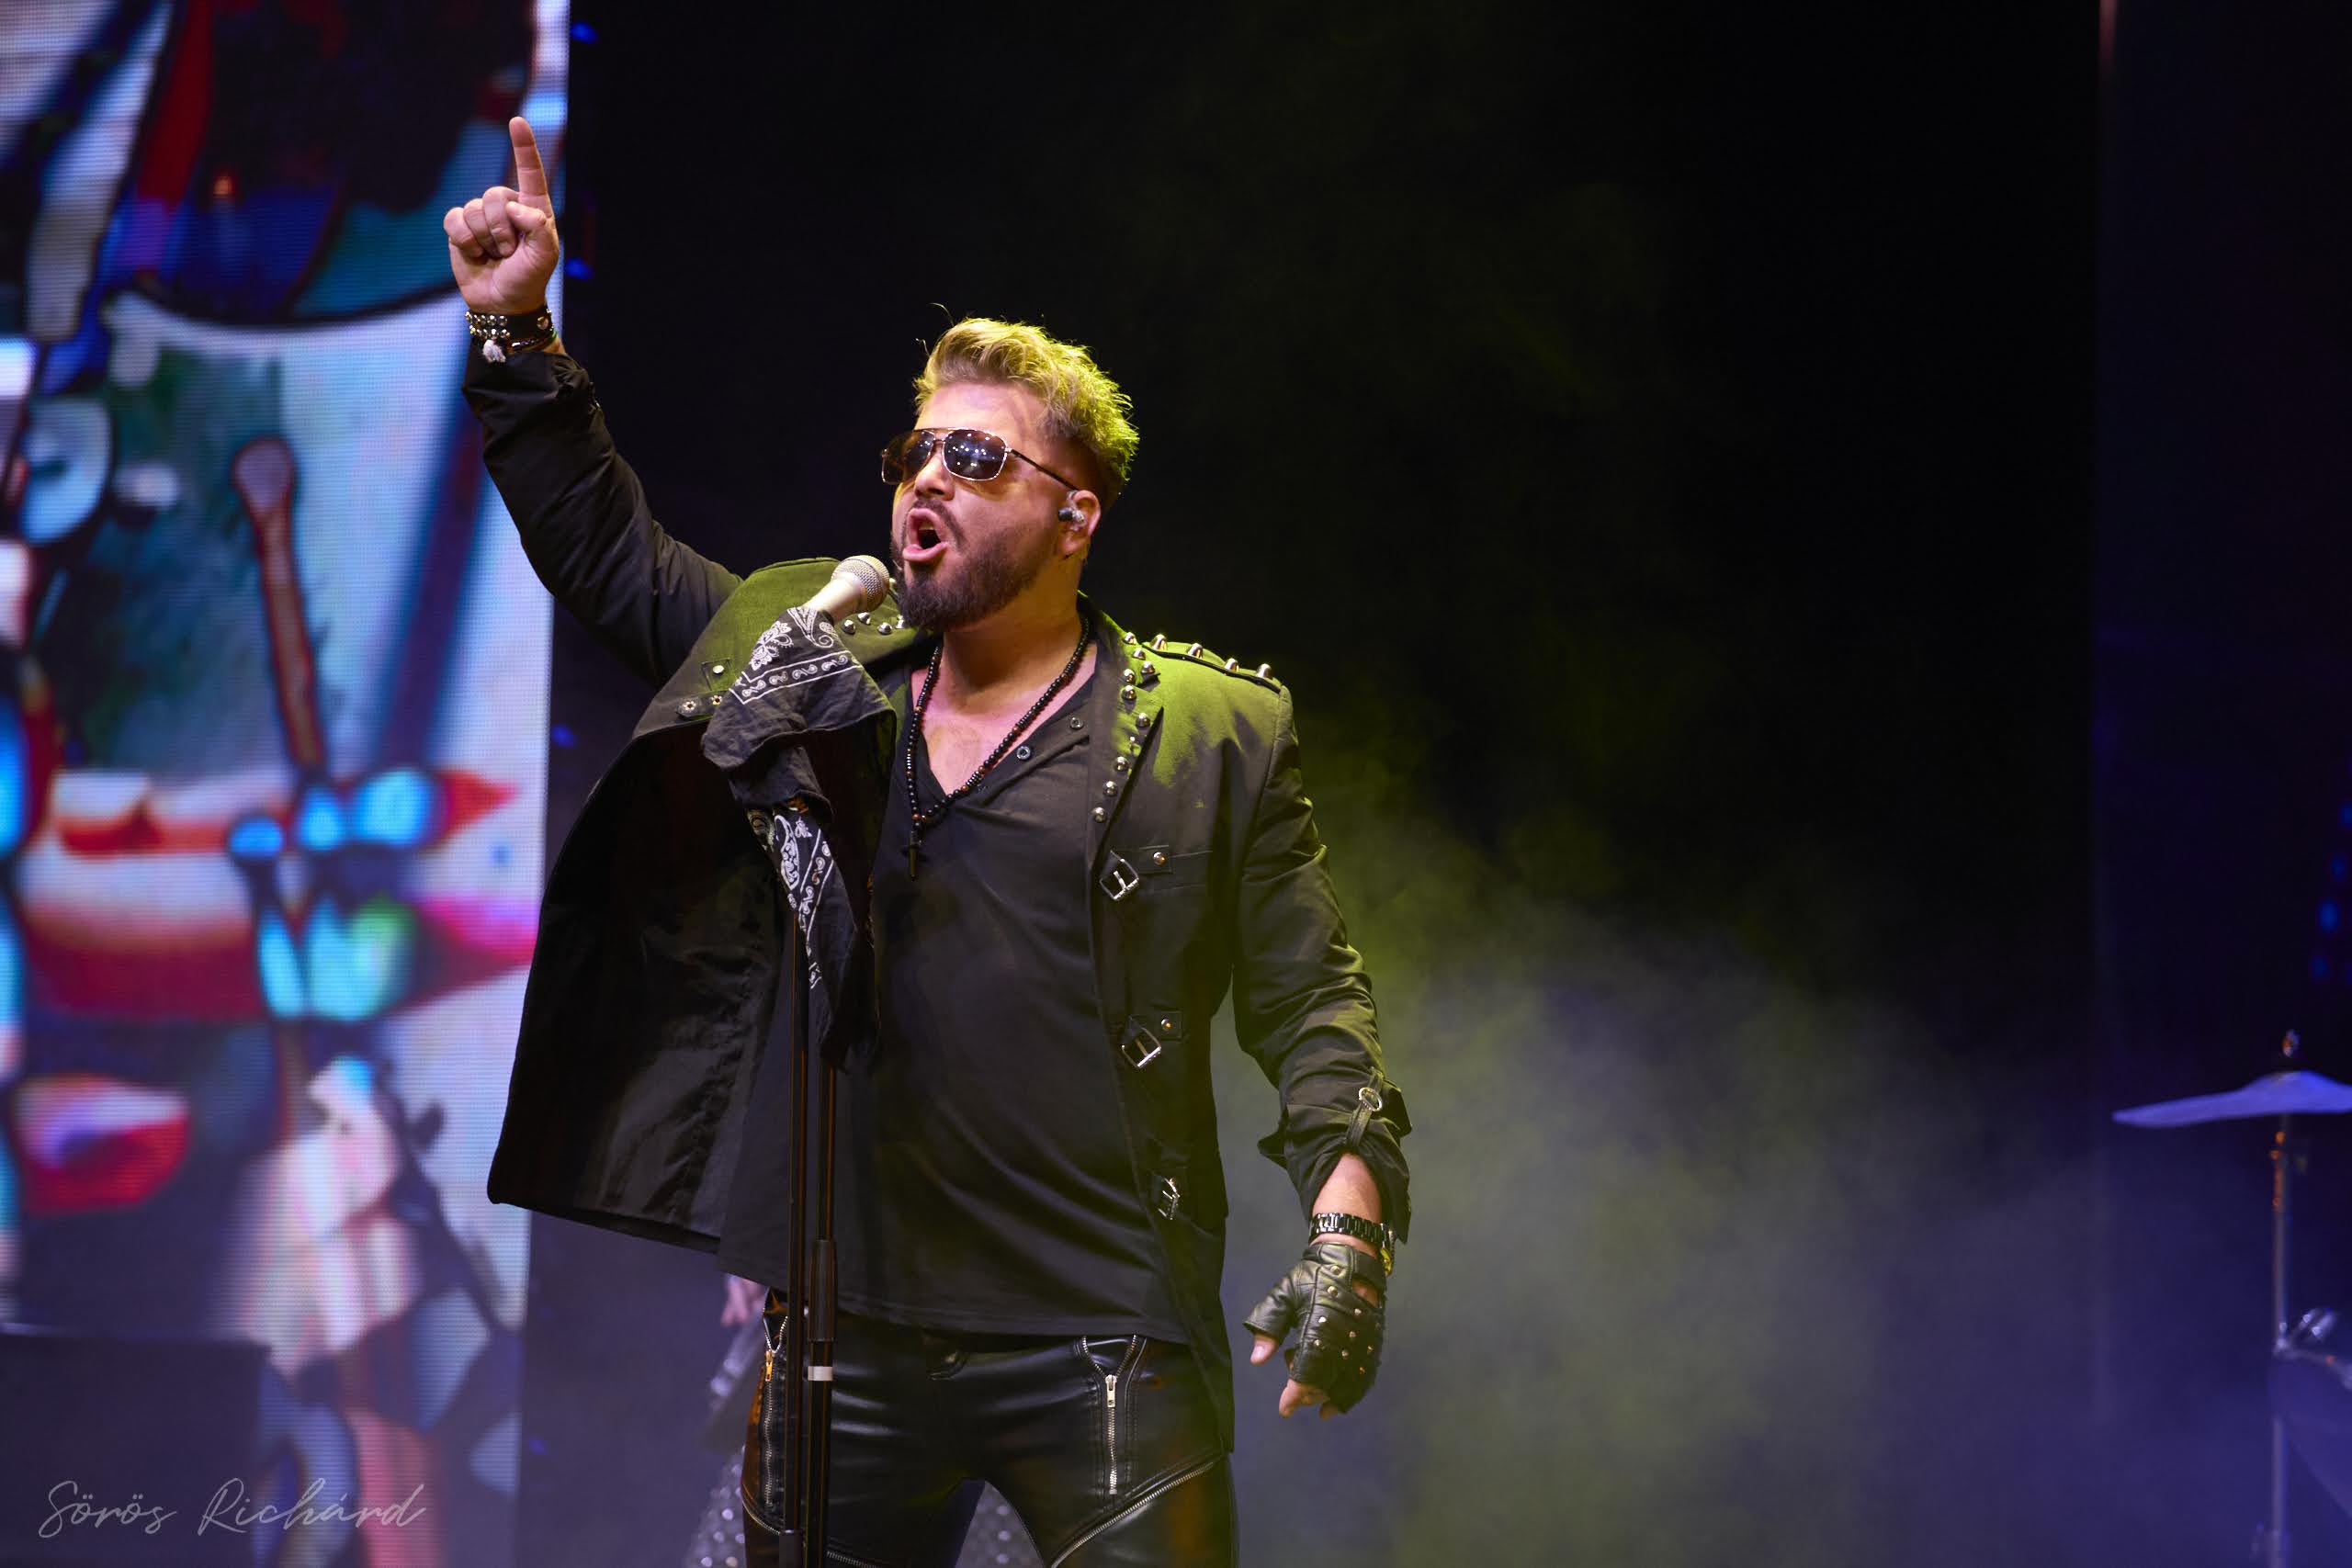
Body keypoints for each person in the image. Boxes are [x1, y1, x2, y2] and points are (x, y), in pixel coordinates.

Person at [444, 118, 1412, 1566]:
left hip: (1103, 1352)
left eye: (975, 455)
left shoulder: (1211, 735)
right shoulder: (814, 668)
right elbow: (611, 557)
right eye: (915, 451)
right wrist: (518, 332)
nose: (925, 480)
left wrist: (1349, 1236)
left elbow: (1312, 1004)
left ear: (1074, 516)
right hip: (851, 1343)